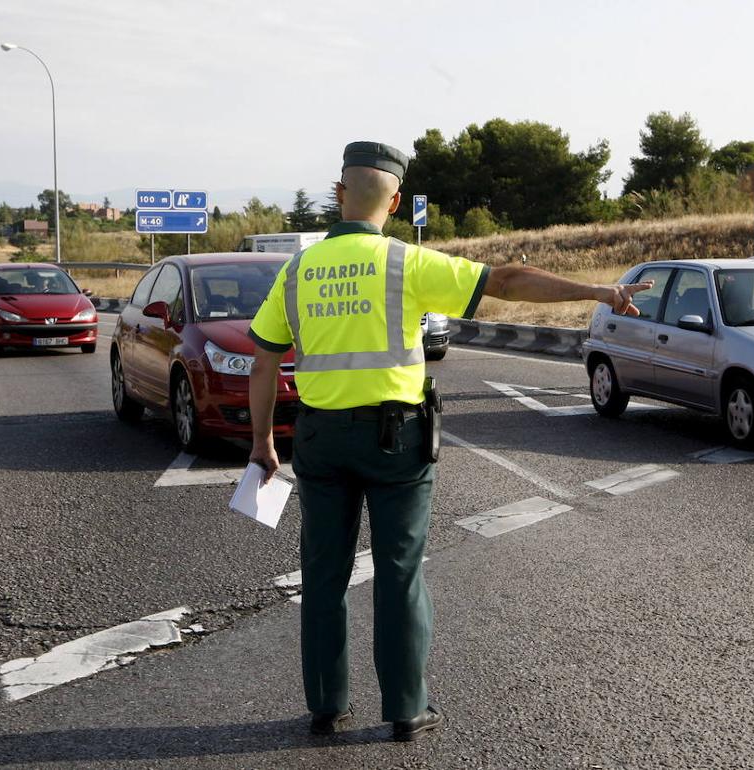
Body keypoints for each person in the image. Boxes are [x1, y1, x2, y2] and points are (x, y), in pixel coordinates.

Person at [246, 141, 651, 742]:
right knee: (399, 572)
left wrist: (261, 445)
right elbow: (507, 280)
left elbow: (262, 361)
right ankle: (407, 709)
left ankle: (327, 705)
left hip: (321, 440)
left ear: (339, 194)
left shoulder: (296, 271)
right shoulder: (402, 263)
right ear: (396, 199)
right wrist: (598, 294)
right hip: (395, 441)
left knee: (323, 577)